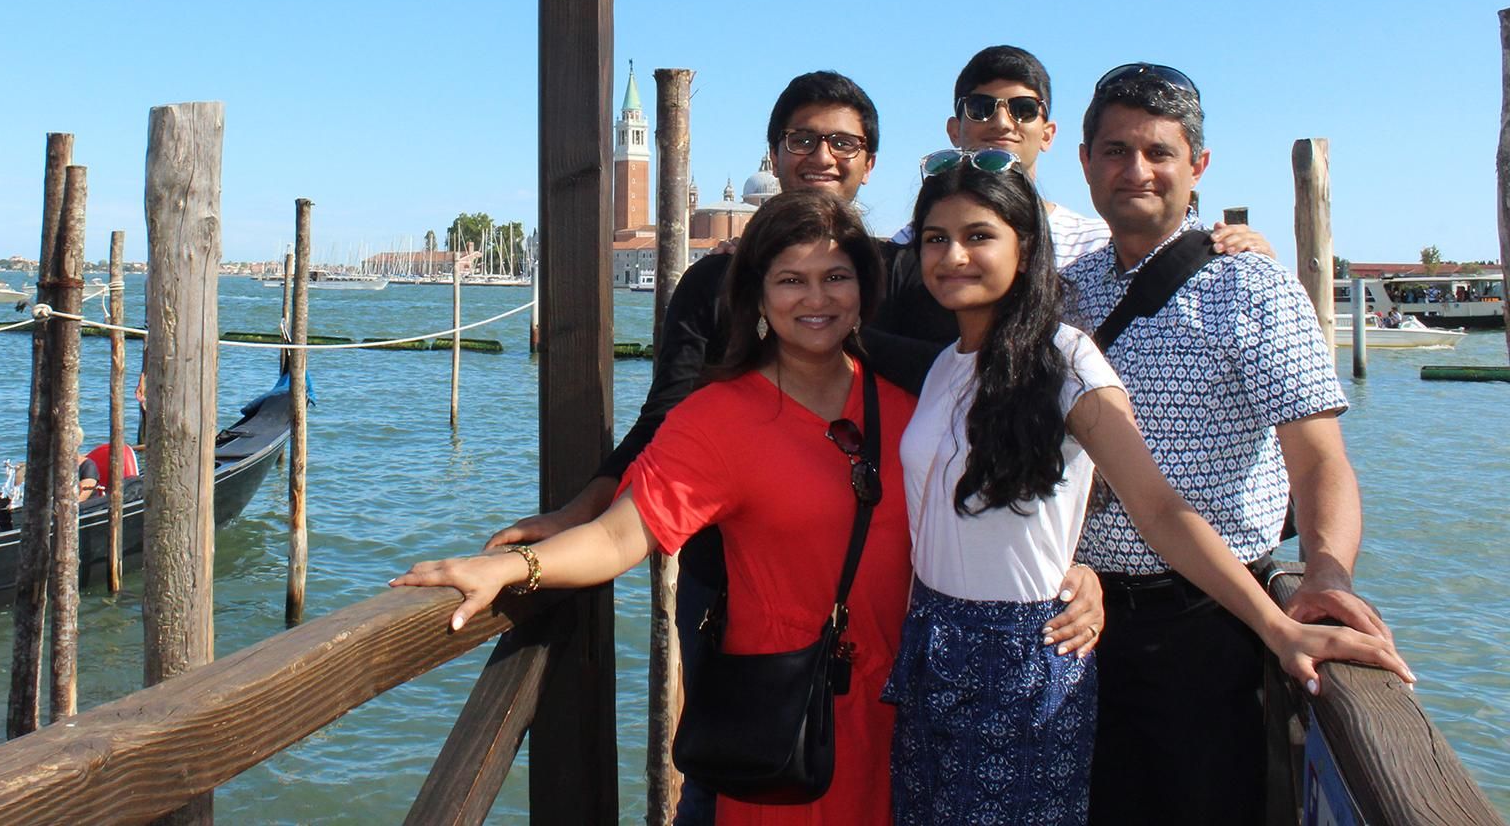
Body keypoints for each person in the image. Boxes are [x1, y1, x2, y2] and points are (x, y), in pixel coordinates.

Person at [485, 71, 1104, 822]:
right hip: (751, 620)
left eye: (835, 279)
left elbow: (1004, 435)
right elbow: (658, 440)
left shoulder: (920, 295)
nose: (817, 298)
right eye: (803, 139)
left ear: (870, 164)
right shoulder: (719, 352)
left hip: (906, 667)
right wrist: (557, 532)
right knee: (735, 776)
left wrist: (1068, 560)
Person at [883, 153, 1411, 825]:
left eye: (978, 235)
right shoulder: (943, 368)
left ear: (1025, 246)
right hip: (933, 643)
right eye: (936, 238)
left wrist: (1276, 627)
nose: (953, 255)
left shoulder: (1067, 359)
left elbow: (1159, 508)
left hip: (1019, 657)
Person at [401, 189, 922, 824]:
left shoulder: (912, 406)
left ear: (863, 288)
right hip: (792, 720)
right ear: (758, 296)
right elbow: (621, 537)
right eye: (791, 280)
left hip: (914, 716)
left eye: (835, 277)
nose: (816, 299)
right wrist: (513, 569)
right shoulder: (719, 419)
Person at [1065, 63, 1400, 825]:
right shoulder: (1067, 289)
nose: (1136, 170)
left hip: (1207, 622)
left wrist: (1328, 572)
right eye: (1114, 151)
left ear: (1198, 167)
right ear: (1085, 162)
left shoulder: (1250, 286)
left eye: (1158, 152)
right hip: (1077, 622)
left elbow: (1318, 459)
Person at [878, 45, 1268, 344]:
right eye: (980, 108)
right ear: (953, 129)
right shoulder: (914, 246)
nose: (1001, 121)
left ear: (1048, 133)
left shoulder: (1098, 245)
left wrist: (1241, 253)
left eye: (1024, 109)